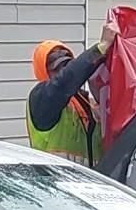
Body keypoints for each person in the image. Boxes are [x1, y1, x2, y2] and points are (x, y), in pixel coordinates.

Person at [25, 15, 119, 164]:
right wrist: (100, 48)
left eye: (66, 65)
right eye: (56, 69)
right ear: (43, 71)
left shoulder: (86, 102)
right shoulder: (41, 99)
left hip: (89, 183)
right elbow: (64, 82)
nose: (62, 71)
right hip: (54, 183)